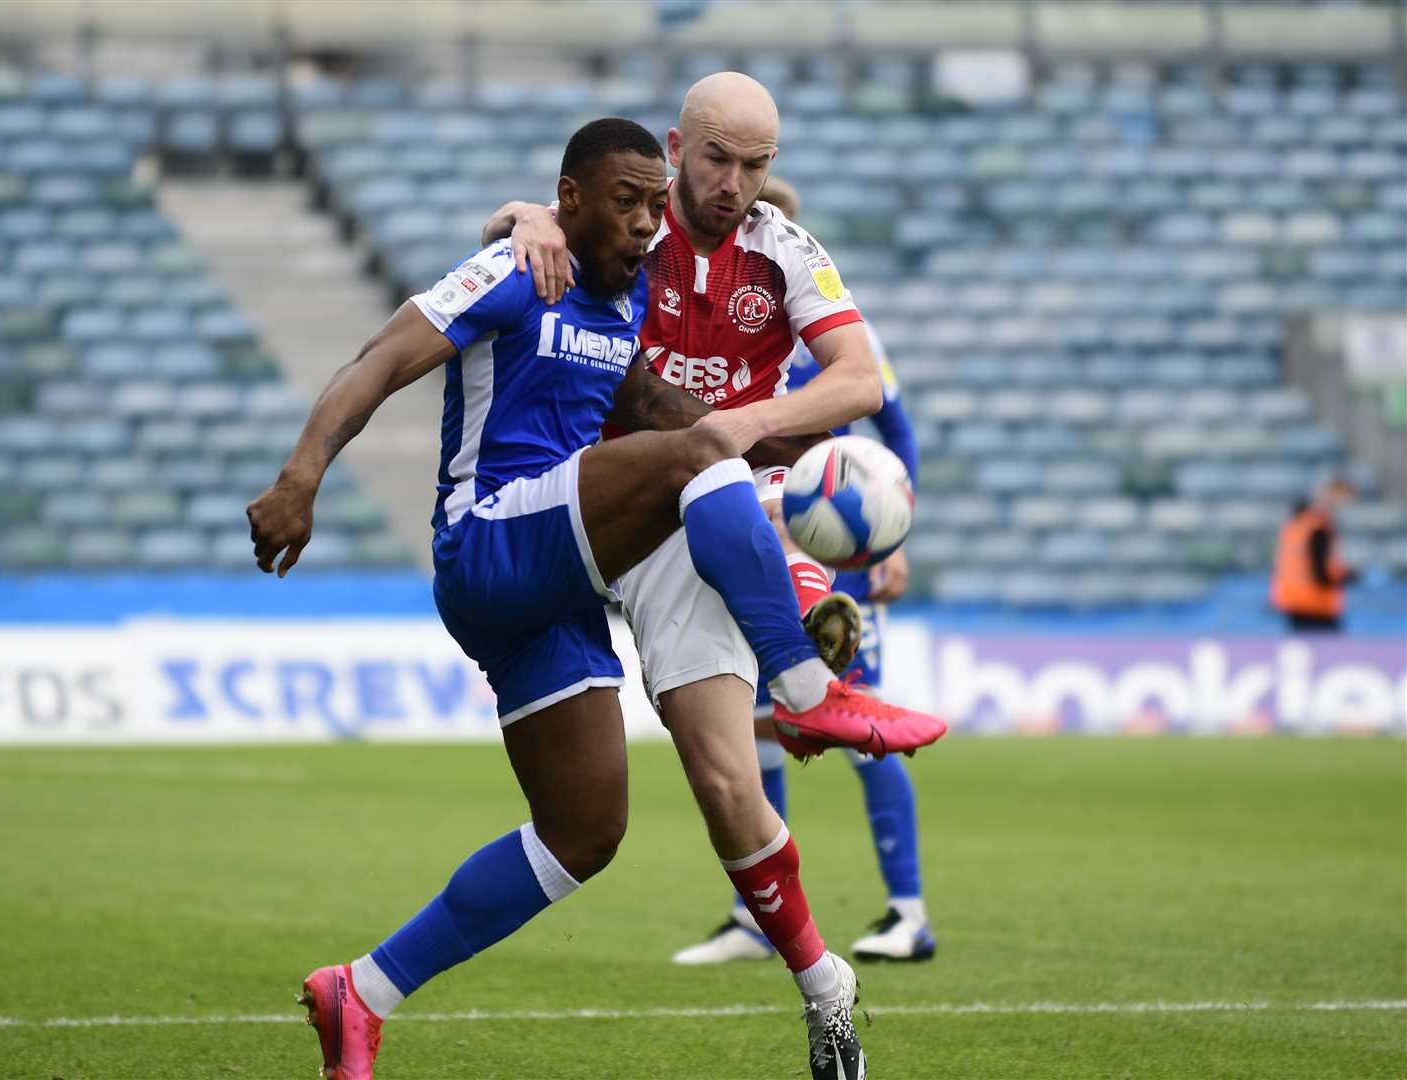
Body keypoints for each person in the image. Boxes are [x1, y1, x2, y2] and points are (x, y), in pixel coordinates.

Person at [247, 119, 946, 1080]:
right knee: (704, 464)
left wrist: (815, 467)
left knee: (584, 834)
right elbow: (378, 359)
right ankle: (800, 681)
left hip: (551, 591)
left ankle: (361, 993)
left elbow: (682, 420)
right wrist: (301, 475)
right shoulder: (514, 269)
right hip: (491, 535)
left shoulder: (624, 315)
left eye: (656, 207)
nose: (648, 224)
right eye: (627, 202)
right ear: (569, 201)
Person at [672, 176, 938, 967]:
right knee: (751, 718)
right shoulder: (716, 325)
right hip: (756, 537)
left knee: (857, 724)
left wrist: (888, 542)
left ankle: (908, 911)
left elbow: (895, 429)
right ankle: (755, 914)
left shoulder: (834, 327)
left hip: (833, 543)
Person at [1271, 477, 1358, 632]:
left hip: (1294, 601)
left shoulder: (1298, 523)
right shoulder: (1318, 528)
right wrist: (1347, 576)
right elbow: (1320, 573)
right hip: (1315, 604)